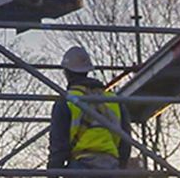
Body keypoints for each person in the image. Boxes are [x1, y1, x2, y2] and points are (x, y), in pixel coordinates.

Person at [48, 45, 131, 176]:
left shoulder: (66, 101)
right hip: (111, 166)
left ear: (66, 72)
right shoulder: (114, 100)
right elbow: (125, 142)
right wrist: (120, 167)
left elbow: (58, 145)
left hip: (80, 166)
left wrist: (53, 172)